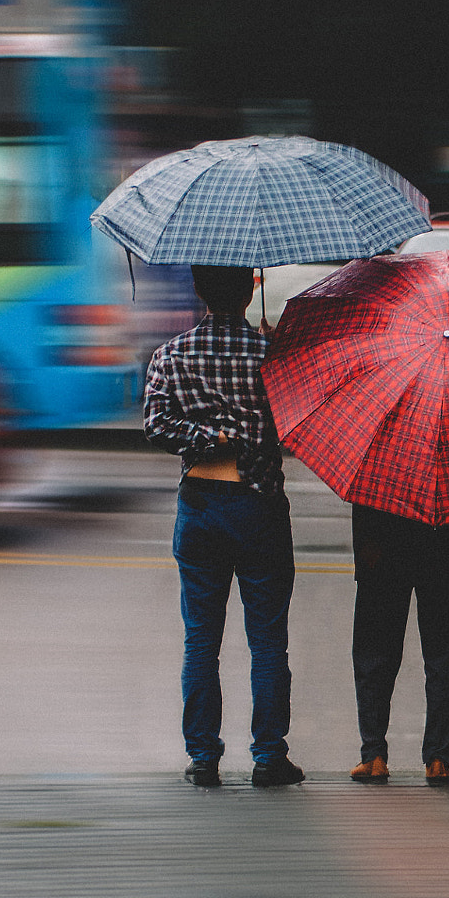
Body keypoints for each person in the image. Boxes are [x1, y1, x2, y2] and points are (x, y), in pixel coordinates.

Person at [143, 265, 303, 788]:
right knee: (267, 642)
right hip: (258, 504)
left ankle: (204, 757)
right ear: (251, 288)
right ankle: (268, 756)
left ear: (198, 291)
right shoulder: (274, 356)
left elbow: (157, 425)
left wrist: (206, 435)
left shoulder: (171, 354)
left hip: (201, 506)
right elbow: (297, 424)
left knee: (201, 641)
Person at [348, 504, 449, 786]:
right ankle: (439, 759)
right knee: (444, 656)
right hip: (448, 544)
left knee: (375, 652)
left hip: (383, 538)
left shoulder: (384, 459)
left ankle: (373, 757)